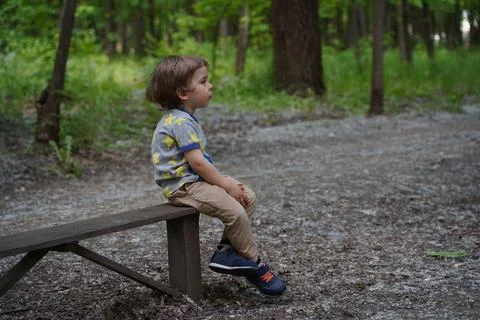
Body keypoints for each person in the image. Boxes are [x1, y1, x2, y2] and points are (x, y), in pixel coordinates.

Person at [146, 55, 286, 297]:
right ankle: (254, 263)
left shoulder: (184, 119)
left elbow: (199, 165)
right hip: (184, 187)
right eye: (204, 81)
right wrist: (225, 184)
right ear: (183, 92)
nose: (210, 86)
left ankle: (226, 252)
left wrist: (229, 184)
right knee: (235, 210)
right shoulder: (180, 122)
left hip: (194, 181)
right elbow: (198, 163)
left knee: (247, 197)